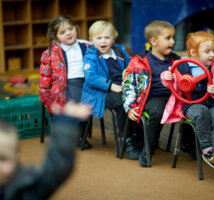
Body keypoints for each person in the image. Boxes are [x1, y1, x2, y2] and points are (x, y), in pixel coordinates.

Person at [162, 31, 214, 168]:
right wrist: (167, 77)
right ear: (194, 53)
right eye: (207, 52)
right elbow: (170, 79)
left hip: (213, 101)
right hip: (191, 104)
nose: (212, 55)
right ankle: (207, 150)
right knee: (201, 112)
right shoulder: (181, 66)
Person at [122, 20, 190, 167]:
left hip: (175, 97)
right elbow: (129, 85)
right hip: (151, 97)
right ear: (153, 41)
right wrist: (130, 106)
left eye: (173, 37)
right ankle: (149, 149)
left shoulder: (176, 60)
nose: (172, 41)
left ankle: (188, 143)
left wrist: (181, 77)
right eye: (168, 38)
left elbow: (187, 81)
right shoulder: (139, 61)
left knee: (193, 108)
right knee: (157, 112)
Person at [0, 101, 91, 200]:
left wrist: (66, 122)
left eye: (3, 159)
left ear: (17, 160)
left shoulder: (25, 187)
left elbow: (55, 170)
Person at [80, 20, 142, 160]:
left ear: (113, 39)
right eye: (99, 38)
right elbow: (91, 78)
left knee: (139, 99)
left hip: (122, 88)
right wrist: (110, 85)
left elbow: (131, 66)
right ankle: (125, 139)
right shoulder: (91, 55)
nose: (103, 41)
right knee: (122, 103)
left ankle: (138, 135)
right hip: (100, 92)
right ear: (91, 40)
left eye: (107, 38)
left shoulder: (120, 51)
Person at [39, 16, 92, 149]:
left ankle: (81, 134)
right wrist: (45, 95)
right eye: (63, 32)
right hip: (63, 87)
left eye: (70, 29)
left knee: (88, 100)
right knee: (77, 99)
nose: (69, 33)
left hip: (86, 82)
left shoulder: (86, 45)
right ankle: (72, 135)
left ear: (76, 28)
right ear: (56, 37)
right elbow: (45, 76)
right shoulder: (50, 53)